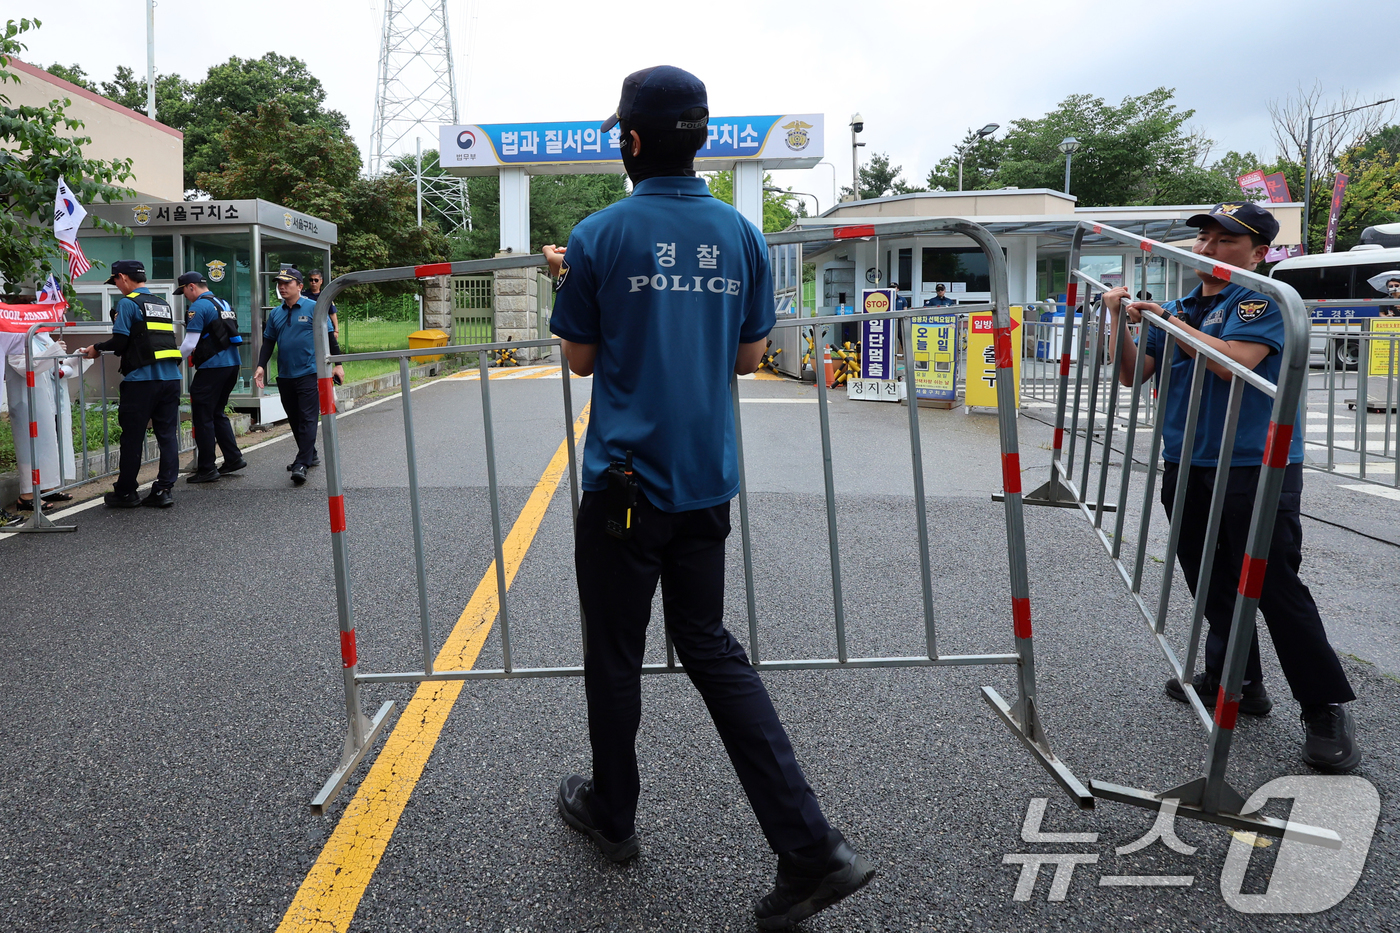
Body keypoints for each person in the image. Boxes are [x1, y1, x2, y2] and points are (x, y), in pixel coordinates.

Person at [543, 65, 874, 930]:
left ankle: (614, 813)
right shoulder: (741, 233)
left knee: (615, 654)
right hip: (704, 485)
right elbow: (749, 357)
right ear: (700, 140)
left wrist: (567, 277)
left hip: (623, 487)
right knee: (709, 646)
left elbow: (580, 358)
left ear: (631, 140)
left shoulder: (599, 234)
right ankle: (810, 844)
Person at [1106, 200, 1360, 773]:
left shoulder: (1262, 300)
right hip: (1187, 461)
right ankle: (1237, 679)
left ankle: (1324, 707)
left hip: (1255, 464)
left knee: (1273, 585)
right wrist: (1118, 321)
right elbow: (1131, 373)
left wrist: (1168, 322)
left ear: (1258, 253)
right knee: (1208, 578)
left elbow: (1234, 362)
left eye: (1226, 241)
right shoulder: (1181, 306)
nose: (1208, 250)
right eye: (1205, 239)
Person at [80, 260, 182, 509]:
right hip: (171, 379)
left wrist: (96, 348)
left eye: (115, 281)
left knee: (133, 437)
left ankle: (126, 492)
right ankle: (164, 490)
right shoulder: (161, 303)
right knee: (167, 435)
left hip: (142, 382)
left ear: (123, 277)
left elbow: (120, 342)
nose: (116, 286)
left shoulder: (127, 303)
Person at [253, 269, 343, 485]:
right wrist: (261, 366)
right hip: (285, 374)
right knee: (294, 417)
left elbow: (330, 338)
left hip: (309, 372)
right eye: (279, 284)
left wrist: (338, 365)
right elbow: (268, 342)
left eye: (287, 283)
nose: (282, 287)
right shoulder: (276, 313)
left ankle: (301, 463)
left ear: (300, 286)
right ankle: (310, 453)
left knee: (308, 417)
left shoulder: (315, 308)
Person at [177, 271, 246, 483]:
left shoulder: (198, 306)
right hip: (232, 365)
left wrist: (172, 361)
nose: (185, 296)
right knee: (217, 413)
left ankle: (207, 468)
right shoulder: (223, 303)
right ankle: (233, 458)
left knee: (203, 416)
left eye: (184, 291)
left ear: (191, 287)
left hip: (212, 367)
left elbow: (189, 343)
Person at [3, 325, 77, 513]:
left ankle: (47, 488)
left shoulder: (43, 335)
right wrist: (54, 352)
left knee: (48, 444)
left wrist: (70, 358)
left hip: (49, 400)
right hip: (27, 401)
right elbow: (23, 367)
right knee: (29, 448)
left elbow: (54, 365)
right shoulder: (15, 336)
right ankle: (27, 496)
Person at [304, 270, 340, 336]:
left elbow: (332, 313)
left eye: (316, 280)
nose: (313, 282)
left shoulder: (326, 295)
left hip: (324, 328)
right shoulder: (303, 296)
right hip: (308, 329)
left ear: (321, 281)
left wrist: (336, 330)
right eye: (311, 280)